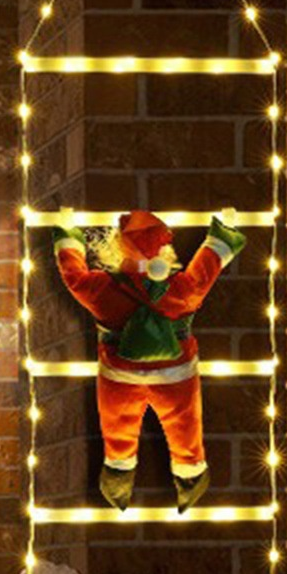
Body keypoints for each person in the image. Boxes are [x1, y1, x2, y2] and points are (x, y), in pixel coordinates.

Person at [51, 210, 246, 511]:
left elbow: (74, 277)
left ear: (118, 244)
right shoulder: (181, 289)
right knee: (186, 432)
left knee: (118, 434)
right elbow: (207, 268)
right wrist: (223, 234)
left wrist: (68, 234)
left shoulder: (103, 289)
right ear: (162, 247)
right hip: (176, 377)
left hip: (119, 378)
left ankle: (117, 481)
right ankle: (191, 479)